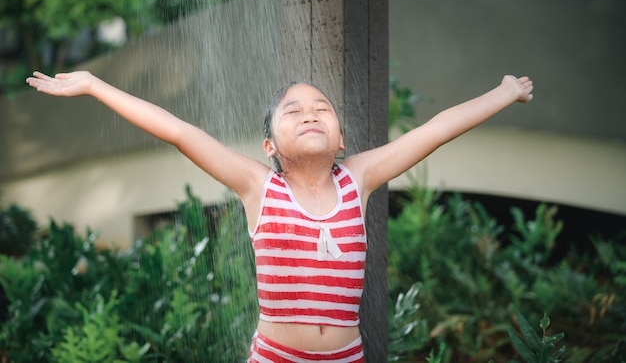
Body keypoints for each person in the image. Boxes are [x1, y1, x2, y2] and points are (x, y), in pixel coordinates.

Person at [26, 71, 533, 362]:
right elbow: (177, 131)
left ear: (341, 140)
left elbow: (434, 130)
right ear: (269, 145)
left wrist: (504, 92)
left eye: (322, 108)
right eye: (292, 111)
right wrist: (94, 85)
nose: (309, 112)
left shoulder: (356, 179)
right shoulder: (258, 186)